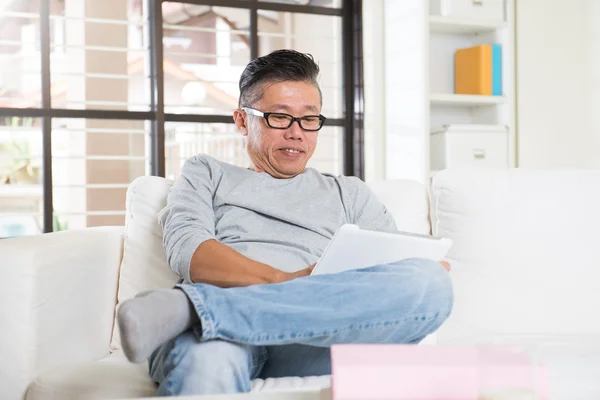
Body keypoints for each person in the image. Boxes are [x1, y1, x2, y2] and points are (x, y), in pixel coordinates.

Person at [117, 49, 453, 397]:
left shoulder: (348, 192)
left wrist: (418, 271)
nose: (297, 133)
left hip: (315, 339)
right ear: (243, 120)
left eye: (309, 119)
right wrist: (287, 282)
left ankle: (193, 309)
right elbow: (190, 250)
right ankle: (210, 316)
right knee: (208, 363)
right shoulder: (207, 173)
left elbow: (395, 276)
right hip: (219, 339)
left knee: (431, 283)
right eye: (279, 117)